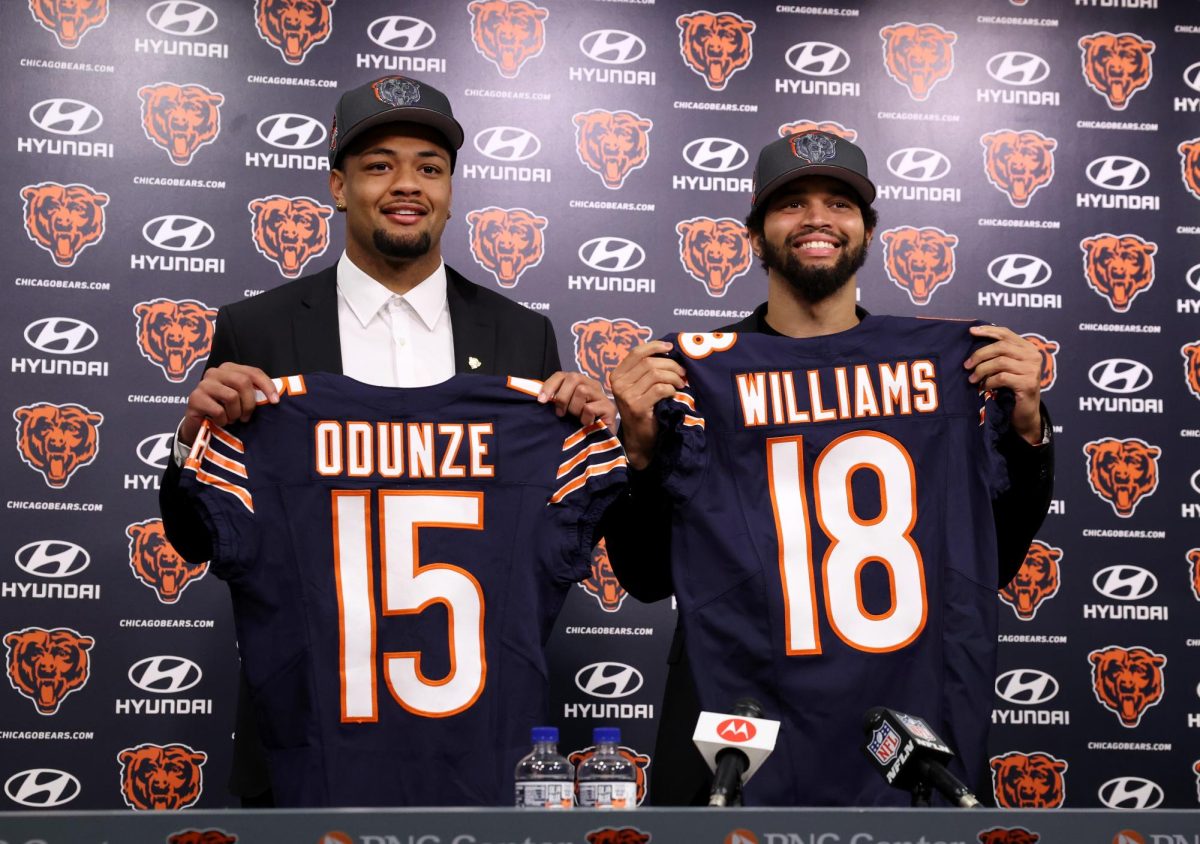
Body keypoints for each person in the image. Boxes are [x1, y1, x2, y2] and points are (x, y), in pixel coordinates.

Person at [158, 75, 613, 806]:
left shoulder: (522, 336)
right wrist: (190, 444)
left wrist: (590, 428)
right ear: (339, 186)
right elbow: (199, 539)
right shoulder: (259, 329)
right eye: (379, 165)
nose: (408, 185)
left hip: (475, 744)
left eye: (430, 168)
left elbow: (565, 534)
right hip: (309, 742)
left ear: (451, 189)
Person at [604, 131, 1054, 806]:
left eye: (839, 203)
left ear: (868, 231)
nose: (817, 218)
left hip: (904, 716)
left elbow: (996, 556)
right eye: (791, 204)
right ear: (754, 236)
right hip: (739, 710)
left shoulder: (950, 367)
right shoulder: (693, 381)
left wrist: (1025, 433)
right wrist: (639, 453)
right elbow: (641, 578)